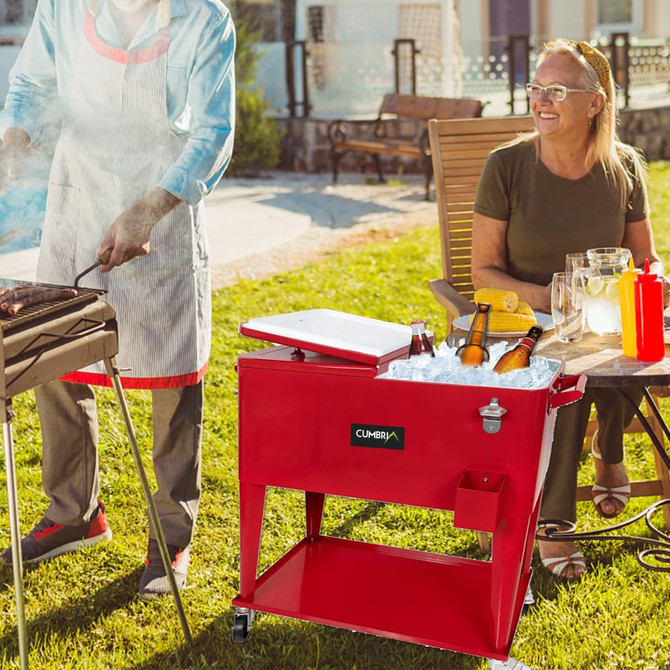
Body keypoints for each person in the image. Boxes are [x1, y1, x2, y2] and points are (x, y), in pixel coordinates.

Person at [0, 0, 235, 600]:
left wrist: (148, 211)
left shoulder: (204, 20)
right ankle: (75, 514)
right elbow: (31, 81)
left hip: (163, 209)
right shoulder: (62, 7)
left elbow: (213, 133)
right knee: (55, 352)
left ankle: (171, 536)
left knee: (172, 370)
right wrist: (13, 143)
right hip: (77, 195)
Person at [471, 38, 670, 580]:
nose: (541, 99)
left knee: (643, 348)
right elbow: (482, 273)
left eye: (557, 90)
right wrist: (553, 300)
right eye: (537, 88)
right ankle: (554, 523)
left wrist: (654, 285)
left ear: (595, 103)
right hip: (530, 322)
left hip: (604, 319)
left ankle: (609, 451)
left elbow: (645, 259)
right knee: (571, 374)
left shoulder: (623, 167)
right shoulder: (506, 166)